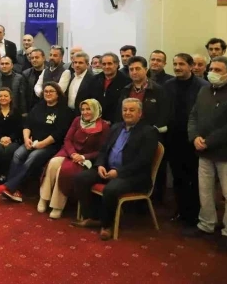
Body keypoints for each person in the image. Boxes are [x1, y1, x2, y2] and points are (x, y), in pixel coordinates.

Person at [72, 99, 158, 241]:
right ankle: (93, 217)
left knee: (111, 189)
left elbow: (143, 161)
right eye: (125, 110)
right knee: (80, 178)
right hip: (107, 169)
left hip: (133, 176)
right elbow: (103, 151)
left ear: (140, 113)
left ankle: (107, 225)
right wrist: (100, 165)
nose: (127, 113)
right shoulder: (116, 127)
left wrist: (119, 172)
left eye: (131, 110)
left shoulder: (149, 132)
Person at [187, 56, 227, 246]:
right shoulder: (204, 90)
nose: (212, 73)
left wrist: (208, 141)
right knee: (205, 191)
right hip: (204, 151)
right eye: (211, 69)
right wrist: (194, 137)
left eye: (218, 70)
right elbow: (193, 116)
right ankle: (206, 224)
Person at [0, 82, 73, 203]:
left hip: (50, 145)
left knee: (32, 157)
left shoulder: (64, 111)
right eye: (46, 91)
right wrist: (26, 139)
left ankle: (9, 187)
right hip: (32, 142)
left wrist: (42, 144)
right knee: (18, 154)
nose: (48, 94)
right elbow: (27, 124)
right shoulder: (38, 107)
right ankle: (13, 190)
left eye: (51, 91)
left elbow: (59, 133)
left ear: (58, 94)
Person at [38, 99, 110, 219]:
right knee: (53, 163)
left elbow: (101, 151)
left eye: (88, 109)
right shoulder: (77, 120)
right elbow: (67, 139)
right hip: (69, 152)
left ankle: (57, 205)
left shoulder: (104, 126)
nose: (85, 112)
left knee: (64, 171)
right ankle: (44, 198)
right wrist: (72, 153)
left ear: (95, 110)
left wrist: (83, 157)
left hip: (85, 158)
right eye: (83, 109)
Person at [117, 56, 170, 202]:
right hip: (129, 133)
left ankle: (153, 201)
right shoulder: (126, 89)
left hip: (149, 135)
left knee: (149, 168)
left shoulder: (158, 90)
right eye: (131, 69)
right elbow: (120, 113)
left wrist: (153, 131)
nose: (134, 72)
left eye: (137, 68)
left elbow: (164, 114)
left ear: (145, 70)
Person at [164, 53, 209, 227]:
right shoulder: (168, 85)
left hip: (194, 139)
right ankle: (181, 210)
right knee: (178, 177)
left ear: (191, 66)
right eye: (175, 64)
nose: (177, 67)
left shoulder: (203, 86)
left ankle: (196, 213)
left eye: (181, 64)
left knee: (195, 178)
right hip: (174, 138)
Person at [0, 87, 23, 182]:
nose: (3, 98)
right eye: (0, 96)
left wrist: (10, 138)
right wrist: (0, 138)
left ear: (10, 98)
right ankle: (1, 173)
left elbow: (19, 129)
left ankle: (8, 175)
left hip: (13, 140)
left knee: (10, 150)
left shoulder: (16, 111)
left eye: (6, 96)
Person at [89, 52, 131, 123]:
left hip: (116, 123)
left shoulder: (126, 82)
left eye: (109, 64)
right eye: (104, 64)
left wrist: (112, 122)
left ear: (116, 64)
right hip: (96, 121)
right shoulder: (94, 80)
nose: (106, 67)